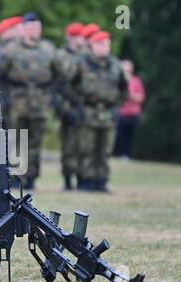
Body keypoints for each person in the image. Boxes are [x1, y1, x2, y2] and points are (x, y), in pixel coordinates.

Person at [0, 13, 58, 190]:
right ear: (23, 28)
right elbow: (1, 75)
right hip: (18, 102)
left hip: (39, 102)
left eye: (37, 27)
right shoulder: (10, 50)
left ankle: (32, 178)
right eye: (31, 27)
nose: (34, 30)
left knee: (35, 142)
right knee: (17, 141)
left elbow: (58, 74)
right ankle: (17, 179)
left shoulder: (48, 49)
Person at [74, 31, 127, 192]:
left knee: (105, 150)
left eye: (107, 44)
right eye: (102, 44)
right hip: (88, 112)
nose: (105, 48)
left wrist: (117, 106)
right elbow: (70, 87)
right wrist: (78, 106)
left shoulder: (116, 66)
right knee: (87, 149)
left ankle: (102, 181)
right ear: (93, 46)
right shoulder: (82, 64)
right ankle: (86, 181)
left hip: (109, 114)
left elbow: (124, 89)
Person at [54, 22, 85, 191]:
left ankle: (83, 178)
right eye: (76, 36)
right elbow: (62, 80)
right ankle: (67, 180)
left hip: (83, 105)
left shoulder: (87, 55)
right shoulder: (61, 55)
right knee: (68, 145)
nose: (79, 40)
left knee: (83, 145)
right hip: (67, 104)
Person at [114, 60, 145, 160]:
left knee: (129, 136)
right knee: (118, 134)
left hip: (132, 113)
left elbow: (141, 97)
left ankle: (126, 155)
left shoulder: (136, 81)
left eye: (127, 66)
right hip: (120, 112)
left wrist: (131, 96)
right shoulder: (116, 79)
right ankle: (115, 154)